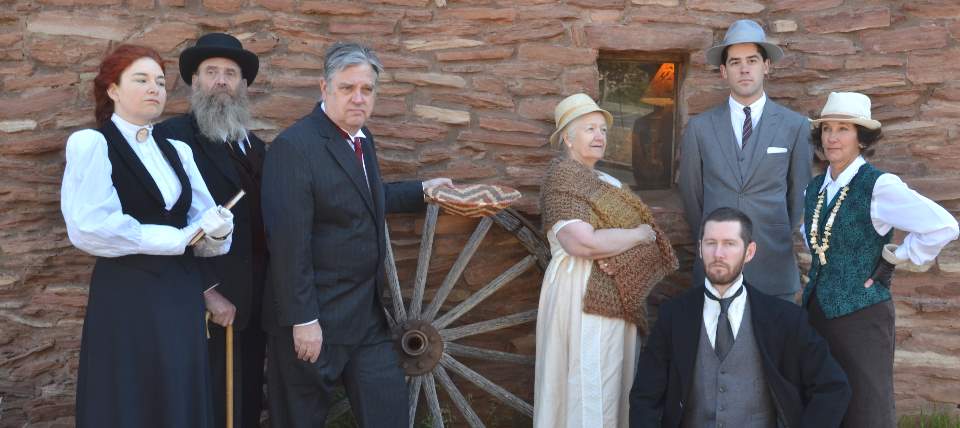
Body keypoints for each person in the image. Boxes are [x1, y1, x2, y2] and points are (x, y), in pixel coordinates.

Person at [260, 41, 452, 428]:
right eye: (347, 88)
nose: (358, 98)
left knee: (388, 413)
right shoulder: (294, 148)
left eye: (367, 90)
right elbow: (287, 243)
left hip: (365, 315)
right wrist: (303, 319)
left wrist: (421, 190)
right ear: (324, 88)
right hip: (314, 319)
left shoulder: (362, 140)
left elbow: (360, 196)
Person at [60, 44, 235, 427]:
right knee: (129, 395)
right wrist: (178, 240)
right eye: (141, 80)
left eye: (159, 81)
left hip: (181, 293)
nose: (154, 88)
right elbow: (90, 227)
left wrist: (218, 230)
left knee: (177, 391)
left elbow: (200, 227)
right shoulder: (92, 144)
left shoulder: (177, 151)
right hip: (127, 296)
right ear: (113, 89)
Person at [802, 92, 959, 428]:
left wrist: (896, 258)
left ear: (862, 138)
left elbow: (943, 225)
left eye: (844, 128)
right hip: (816, 311)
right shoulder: (815, 188)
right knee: (822, 403)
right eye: (827, 128)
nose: (832, 137)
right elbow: (815, 241)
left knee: (866, 408)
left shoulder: (879, 185)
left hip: (862, 314)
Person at [630, 207, 851, 428]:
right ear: (700, 249)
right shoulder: (674, 316)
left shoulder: (785, 319)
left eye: (729, 243)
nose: (718, 253)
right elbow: (645, 397)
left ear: (749, 251)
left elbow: (833, 387)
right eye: (710, 243)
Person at [536, 93, 679, 428]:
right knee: (586, 380)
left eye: (602, 128)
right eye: (589, 129)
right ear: (568, 138)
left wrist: (630, 247)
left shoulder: (607, 181)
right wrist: (638, 236)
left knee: (613, 380)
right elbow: (582, 243)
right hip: (581, 292)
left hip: (617, 296)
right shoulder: (562, 178)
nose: (600, 135)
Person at [156, 33, 267, 428]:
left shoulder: (254, 146)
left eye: (231, 73)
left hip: (256, 303)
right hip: (207, 305)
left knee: (246, 404)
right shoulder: (172, 138)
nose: (222, 80)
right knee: (209, 407)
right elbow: (165, 223)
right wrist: (206, 292)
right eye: (211, 72)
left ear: (242, 85)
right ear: (195, 82)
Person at [678, 19, 812, 302]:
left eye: (752, 60)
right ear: (724, 72)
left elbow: (798, 194)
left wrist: (774, 232)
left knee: (774, 345)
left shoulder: (795, 126)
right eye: (736, 62)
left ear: (766, 65)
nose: (744, 68)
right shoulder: (700, 128)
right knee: (714, 344)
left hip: (773, 263)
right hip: (716, 264)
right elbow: (692, 197)